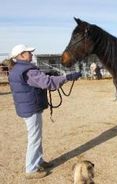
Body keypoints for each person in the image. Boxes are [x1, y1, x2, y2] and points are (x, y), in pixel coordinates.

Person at [8, 44, 82, 179]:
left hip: (28, 106)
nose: (31, 54)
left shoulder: (17, 69)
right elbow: (47, 83)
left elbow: (37, 81)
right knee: (34, 138)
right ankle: (31, 169)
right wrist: (67, 77)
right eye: (29, 52)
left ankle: (39, 161)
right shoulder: (27, 70)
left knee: (36, 136)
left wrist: (48, 74)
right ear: (22, 55)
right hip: (31, 107)